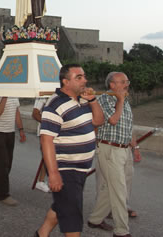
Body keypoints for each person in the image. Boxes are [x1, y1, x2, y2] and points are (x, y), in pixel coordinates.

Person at [35, 64, 104, 237]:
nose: (85, 80)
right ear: (66, 82)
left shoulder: (83, 100)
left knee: (62, 207)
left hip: (80, 169)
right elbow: (46, 140)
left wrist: (93, 100)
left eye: (84, 76)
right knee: (73, 216)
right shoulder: (54, 105)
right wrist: (54, 174)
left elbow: (98, 121)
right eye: (79, 77)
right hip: (66, 170)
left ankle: (41, 234)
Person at [87, 72, 141, 237]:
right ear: (112, 85)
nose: (127, 84)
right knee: (119, 190)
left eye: (127, 81)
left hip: (125, 150)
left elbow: (127, 125)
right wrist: (121, 100)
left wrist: (135, 146)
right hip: (110, 149)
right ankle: (121, 230)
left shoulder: (124, 100)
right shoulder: (105, 99)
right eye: (123, 82)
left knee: (108, 188)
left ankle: (95, 219)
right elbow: (113, 120)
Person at [0, 96, 26, 206]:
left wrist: (21, 130)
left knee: (7, 164)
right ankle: (3, 195)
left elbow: (16, 112)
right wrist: (4, 97)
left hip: (10, 132)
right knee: (2, 164)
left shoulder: (14, 94)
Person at [32, 97, 50, 193]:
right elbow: (35, 113)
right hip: (45, 131)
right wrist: (50, 124)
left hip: (60, 132)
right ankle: (41, 181)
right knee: (47, 157)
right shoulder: (43, 96)